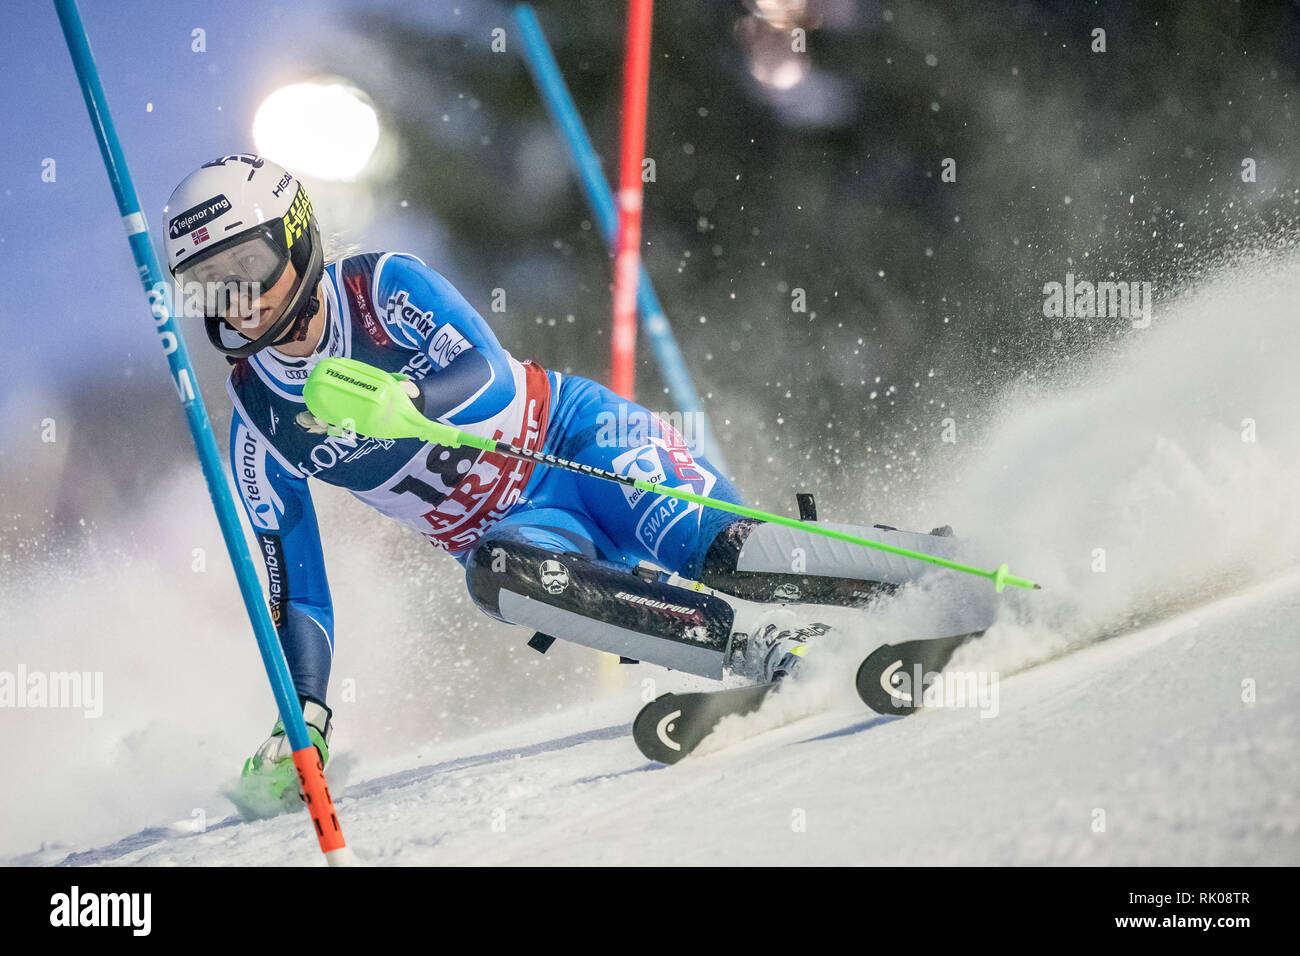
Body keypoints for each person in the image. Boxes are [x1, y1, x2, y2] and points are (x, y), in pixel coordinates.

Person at [164, 154, 964, 810]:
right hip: (522, 531)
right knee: (499, 578)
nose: (238, 299)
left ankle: (934, 570)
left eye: (248, 265)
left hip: (577, 443)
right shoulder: (258, 419)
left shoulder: (381, 289)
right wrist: (304, 710)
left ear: (297, 240)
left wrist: (407, 402)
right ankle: (761, 650)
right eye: (211, 283)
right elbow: (295, 589)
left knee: (714, 548)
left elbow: (487, 374)